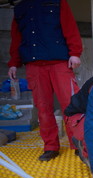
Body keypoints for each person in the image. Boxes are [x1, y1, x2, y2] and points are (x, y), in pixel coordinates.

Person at [7, 0, 83, 161]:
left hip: (60, 62)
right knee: (43, 108)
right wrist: (14, 63)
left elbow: (70, 27)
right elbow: (16, 37)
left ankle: (78, 144)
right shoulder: (20, 7)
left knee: (71, 105)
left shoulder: (58, 2)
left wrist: (75, 52)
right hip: (34, 66)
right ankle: (50, 147)